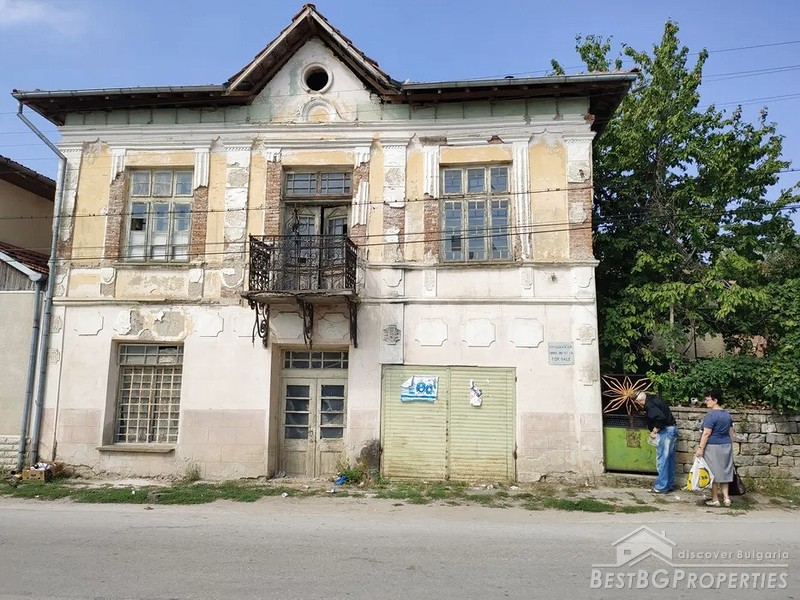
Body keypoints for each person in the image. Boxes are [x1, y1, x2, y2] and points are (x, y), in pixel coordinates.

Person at [695, 388, 735, 507]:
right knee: (725, 472)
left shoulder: (711, 415)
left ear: (715, 400)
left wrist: (700, 448)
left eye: (708, 400)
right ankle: (727, 498)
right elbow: (731, 432)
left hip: (713, 446)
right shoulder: (727, 414)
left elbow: (706, 433)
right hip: (726, 444)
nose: (706, 402)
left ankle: (715, 499)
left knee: (712, 472)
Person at [635, 392, 678, 494]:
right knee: (669, 460)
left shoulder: (649, 405)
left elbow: (660, 419)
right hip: (672, 430)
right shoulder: (655, 399)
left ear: (640, 400)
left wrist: (654, 431)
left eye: (639, 403)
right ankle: (668, 485)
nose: (640, 406)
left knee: (662, 460)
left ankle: (661, 487)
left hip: (665, 432)